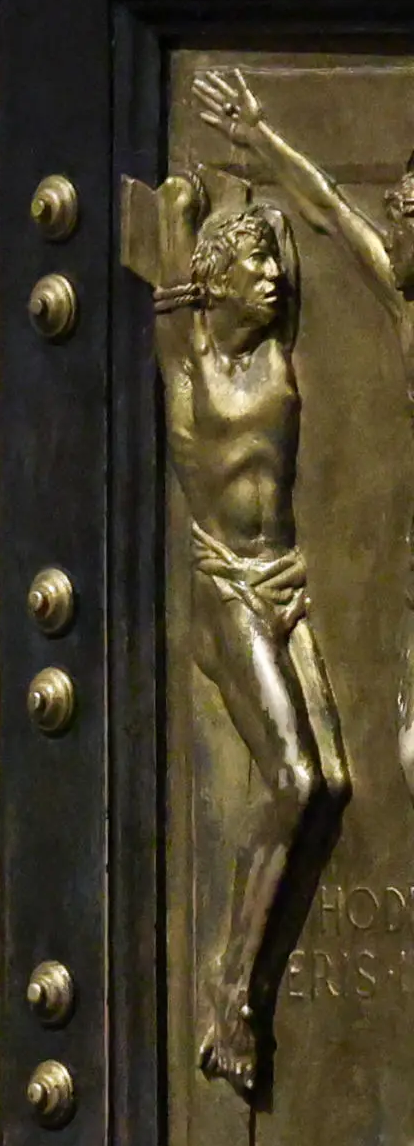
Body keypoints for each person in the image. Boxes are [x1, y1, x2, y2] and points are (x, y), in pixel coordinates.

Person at [142, 160, 351, 1094]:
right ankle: (232, 998)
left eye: (278, 267)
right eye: (257, 266)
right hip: (225, 585)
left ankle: (241, 982)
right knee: (296, 778)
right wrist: (177, 209)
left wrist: (265, 168)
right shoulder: (187, 366)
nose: (275, 279)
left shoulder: (281, 354)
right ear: (214, 279)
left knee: (335, 783)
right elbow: (162, 287)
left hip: (286, 580)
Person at [193, 66, 414, 798]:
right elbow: (325, 209)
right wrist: (257, 133)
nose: (391, 216)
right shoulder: (403, 297)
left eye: (406, 211)